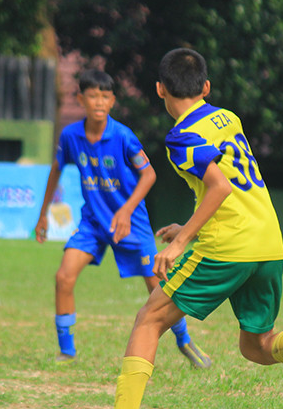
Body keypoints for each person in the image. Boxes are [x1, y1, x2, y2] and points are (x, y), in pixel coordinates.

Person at [80, 48, 283, 409]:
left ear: (160, 88)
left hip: (227, 247)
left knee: (148, 321)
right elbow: (224, 183)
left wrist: (180, 242)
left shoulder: (181, 137)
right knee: (255, 345)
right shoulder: (226, 118)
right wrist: (190, 226)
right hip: (267, 242)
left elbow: (219, 186)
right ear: (207, 87)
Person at [35, 68, 212, 369]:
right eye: (92, 96)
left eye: (105, 96)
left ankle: (184, 341)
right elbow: (55, 169)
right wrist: (42, 216)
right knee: (63, 277)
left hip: (132, 224)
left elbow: (149, 174)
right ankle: (66, 352)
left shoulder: (122, 136)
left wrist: (126, 209)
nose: (99, 102)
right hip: (93, 223)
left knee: (158, 286)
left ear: (113, 100)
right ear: (80, 99)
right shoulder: (71, 136)